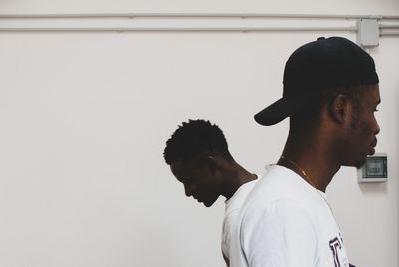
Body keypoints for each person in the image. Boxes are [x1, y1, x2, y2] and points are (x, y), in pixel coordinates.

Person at [230, 37, 380, 267]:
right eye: (373, 109)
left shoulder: (300, 196)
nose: (376, 126)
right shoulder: (284, 208)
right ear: (340, 108)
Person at [163, 119, 259, 266]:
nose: (187, 192)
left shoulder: (238, 217)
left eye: (189, 181)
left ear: (211, 165)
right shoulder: (268, 188)